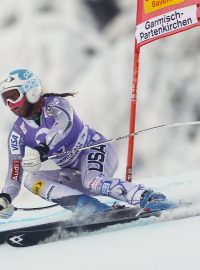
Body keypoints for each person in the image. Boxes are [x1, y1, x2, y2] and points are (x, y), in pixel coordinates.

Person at [0, 68, 175, 219]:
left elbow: (63, 126)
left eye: (13, 97)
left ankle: (150, 197)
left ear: (31, 91)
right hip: (72, 170)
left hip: (95, 149)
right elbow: (14, 175)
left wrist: (42, 148)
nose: (10, 105)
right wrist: (5, 198)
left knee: (92, 181)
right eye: (5, 99)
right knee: (32, 179)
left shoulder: (56, 104)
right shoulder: (17, 133)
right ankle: (90, 208)